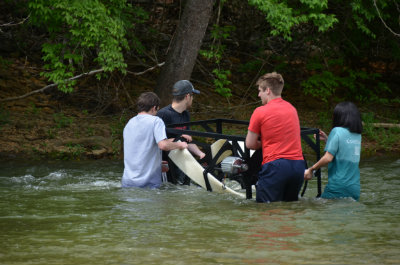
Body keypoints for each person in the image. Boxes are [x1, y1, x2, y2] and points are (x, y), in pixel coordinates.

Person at [245, 72, 305, 203]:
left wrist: (263, 144)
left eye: (260, 91)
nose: (258, 95)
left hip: (276, 166)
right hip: (298, 166)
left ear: (268, 90)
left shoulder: (260, 111)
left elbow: (249, 144)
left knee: (267, 213)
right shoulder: (292, 109)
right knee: (289, 211)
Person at [121, 92, 188, 188]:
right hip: (148, 183)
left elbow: (146, 143)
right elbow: (163, 145)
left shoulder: (129, 123)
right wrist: (180, 145)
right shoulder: (156, 121)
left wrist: (175, 139)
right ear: (154, 107)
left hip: (127, 182)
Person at [304, 102, 362, 201]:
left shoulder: (337, 131)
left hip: (338, 186)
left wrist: (311, 169)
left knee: (317, 209)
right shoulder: (357, 135)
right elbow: (343, 150)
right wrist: (328, 139)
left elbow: (328, 158)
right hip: (355, 188)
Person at [157, 80, 206, 185]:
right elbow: (159, 143)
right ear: (187, 96)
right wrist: (179, 138)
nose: (193, 99)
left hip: (182, 164)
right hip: (165, 168)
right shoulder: (163, 114)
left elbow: (188, 141)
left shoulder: (186, 115)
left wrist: (201, 154)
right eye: (193, 96)